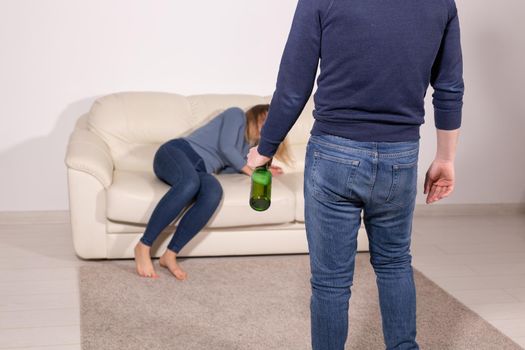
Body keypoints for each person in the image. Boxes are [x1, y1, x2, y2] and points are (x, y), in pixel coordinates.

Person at [247, 0, 464, 349]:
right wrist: (446, 158)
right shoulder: (441, 3)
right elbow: (450, 87)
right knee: (395, 264)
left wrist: (265, 149)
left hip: (334, 154)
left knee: (331, 282)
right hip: (401, 156)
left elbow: (292, 87)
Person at [134, 104, 292, 279]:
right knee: (189, 183)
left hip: (200, 169)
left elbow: (227, 168)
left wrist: (262, 170)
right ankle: (143, 245)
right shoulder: (236, 115)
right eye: (264, 119)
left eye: (271, 125)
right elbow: (226, 148)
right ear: (255, 115)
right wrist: (252, 172)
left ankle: (170, 254)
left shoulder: (247, 149)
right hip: (177, 152)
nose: (266, 126)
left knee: (214, 193)